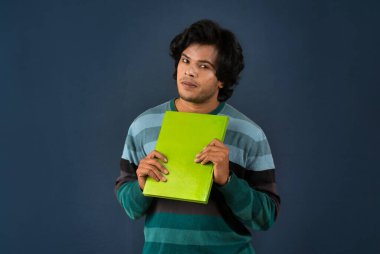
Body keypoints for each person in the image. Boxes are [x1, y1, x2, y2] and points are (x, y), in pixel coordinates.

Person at [115, 19, 280, 254]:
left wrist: (228, 182)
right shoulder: (143, 126)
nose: (189, 71)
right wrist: (141, 186)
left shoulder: (249, 133)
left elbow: (266, 217)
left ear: (222, 79)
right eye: (185, 60)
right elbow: (131, 207)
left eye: (204, 66)